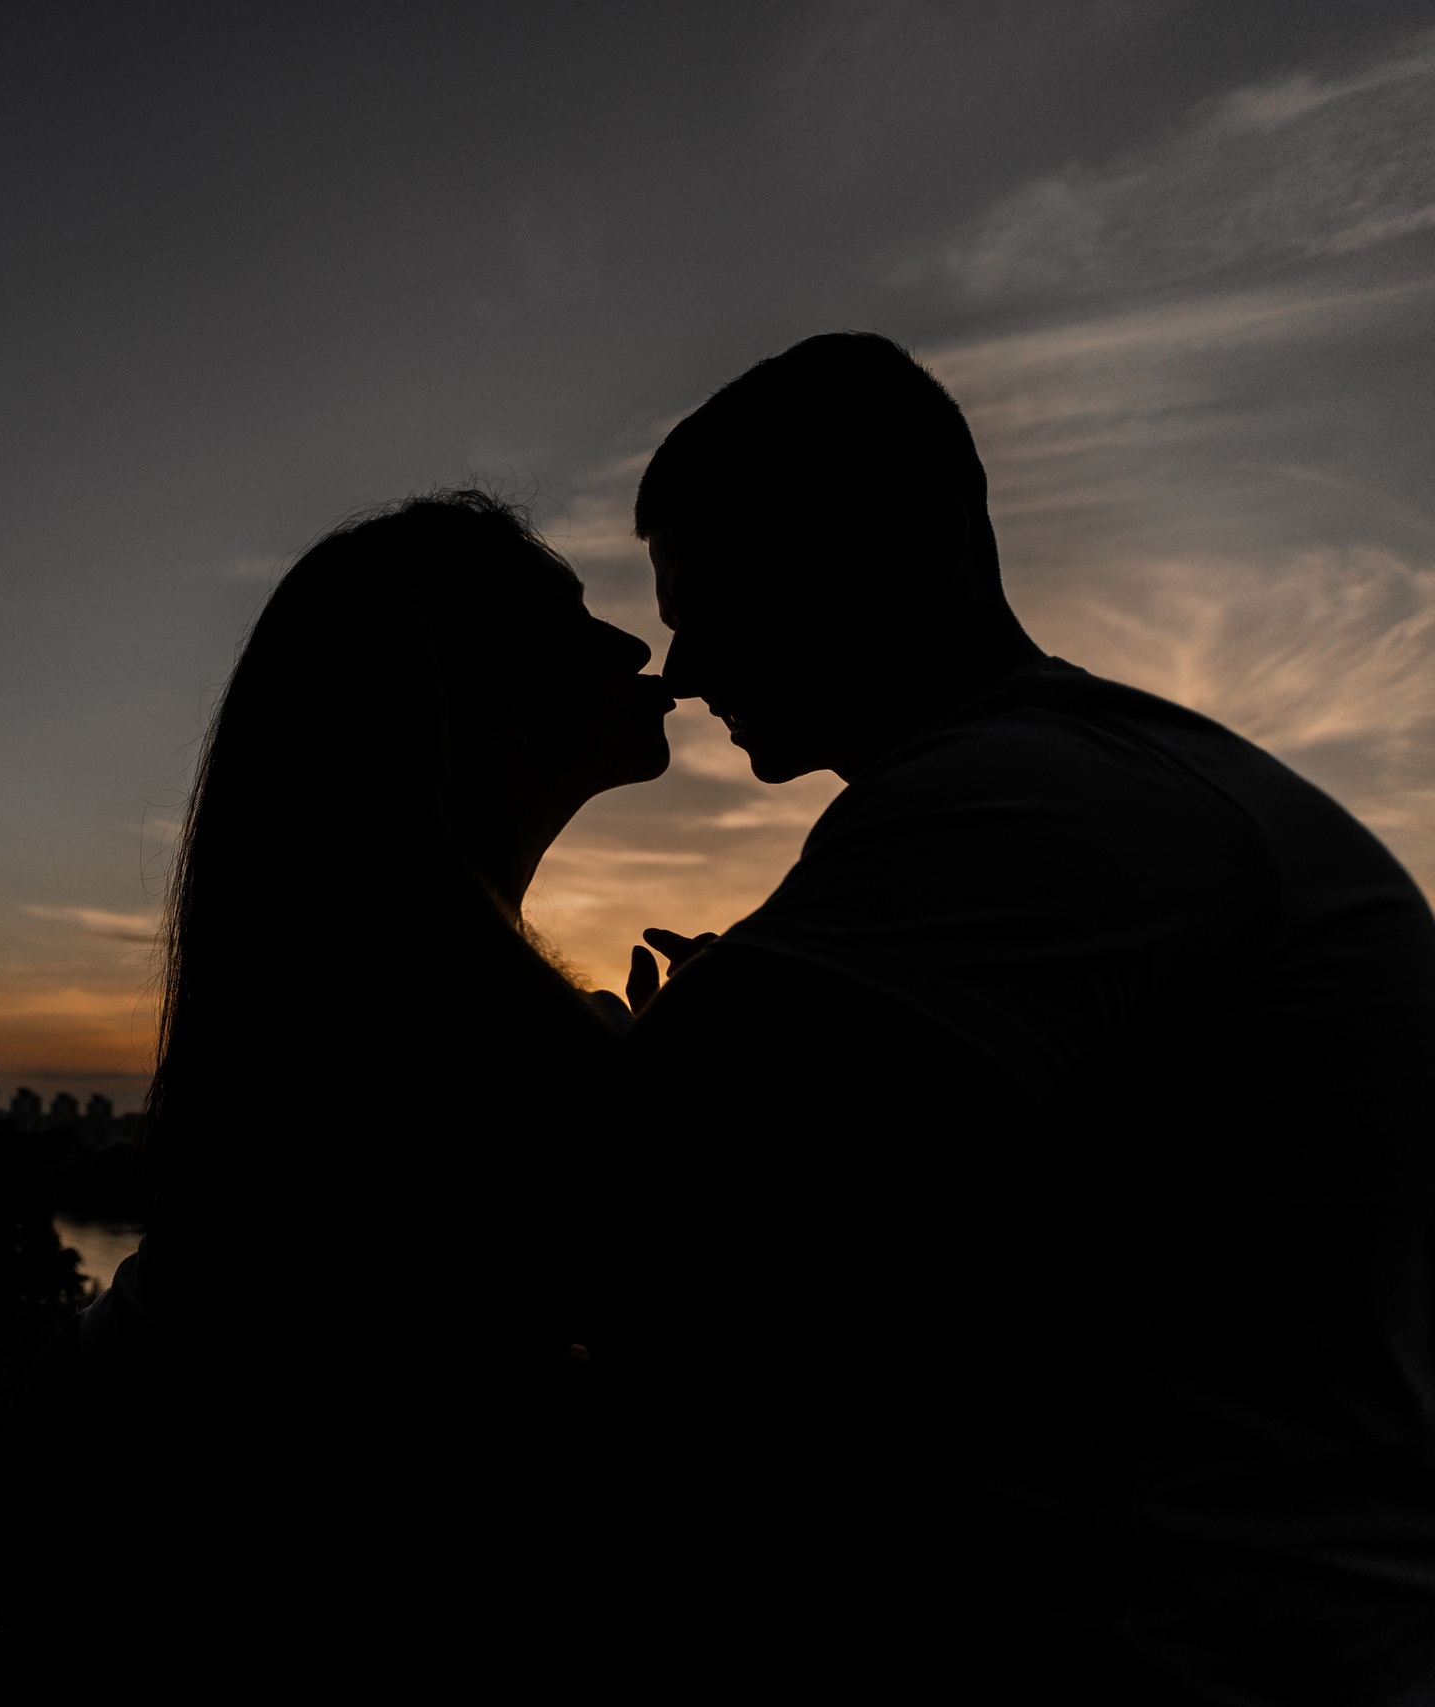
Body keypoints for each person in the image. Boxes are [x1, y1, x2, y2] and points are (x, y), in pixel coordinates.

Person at [608, 332, 1435, 1704]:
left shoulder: (1022, 797)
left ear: (921, 542)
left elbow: (634, 1204)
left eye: (721, 596)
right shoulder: (1088, 780)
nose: (685, 666)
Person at [0, 491, 675, 1693]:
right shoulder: (416, 1035)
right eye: (578, 622)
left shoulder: (360, 996)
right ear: (490, 710)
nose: (635, 647)